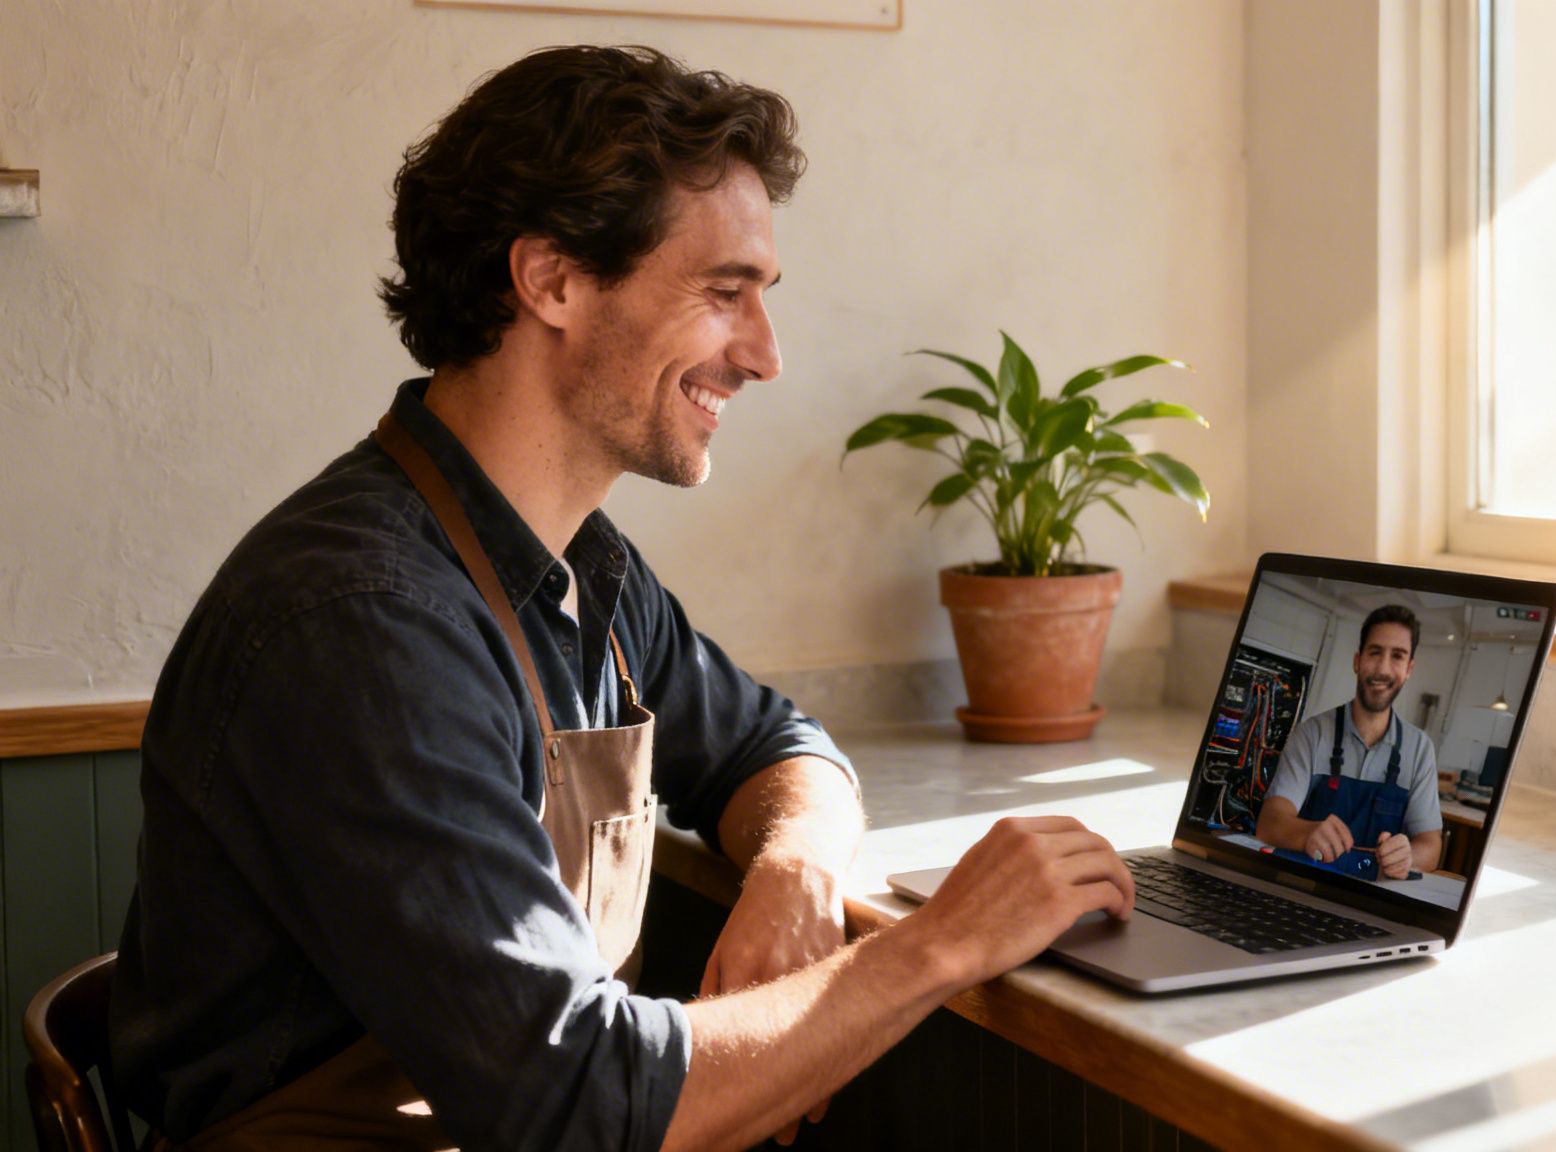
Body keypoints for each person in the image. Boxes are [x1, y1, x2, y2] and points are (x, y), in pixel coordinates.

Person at [108, 45, 1133, 1152]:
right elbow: (580, 1108)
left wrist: (793, 868)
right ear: (550, 279)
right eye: (722, 292)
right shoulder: (363, 620)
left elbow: (778, 748)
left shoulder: (581, 569)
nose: (766, 355)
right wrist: (935, 947)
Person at [1254, 604, 1444, 880]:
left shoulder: (1420, 749)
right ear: (1357, 660)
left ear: (1408, 669)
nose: (1382, 668)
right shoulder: (1311, 734)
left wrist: (1408, 856)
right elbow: (1270, 823)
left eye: (1397, 657)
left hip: (1374, 899)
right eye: (1375, 652)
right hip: (1303, 886)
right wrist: (1307, 832)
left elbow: (1431, 845)